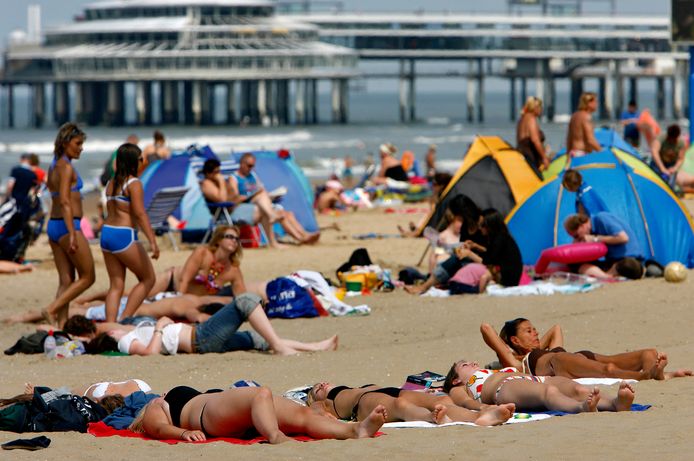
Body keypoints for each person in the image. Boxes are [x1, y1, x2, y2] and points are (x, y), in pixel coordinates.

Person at [82, 293, 338, 357]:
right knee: (245, 301)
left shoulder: (126, 333)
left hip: (200, 339)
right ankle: (283, 349)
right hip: (200, 338)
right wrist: (159, 326)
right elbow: (149, 353)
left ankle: (314, 347)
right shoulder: (124, 341)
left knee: (255, 340)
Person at [129, 385, 386, 443]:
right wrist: (183, 432)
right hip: (207, 416)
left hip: (222, 411)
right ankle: (275, 436)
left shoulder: (165, 400)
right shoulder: (156, 405)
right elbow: (157, 429)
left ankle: (356, 430)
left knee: (303, 416)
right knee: (259, 394)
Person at [480, 318, 692, 381]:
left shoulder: (541, 349)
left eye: (535, 329)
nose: (535, 333)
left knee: (648, 354)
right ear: (515, 340)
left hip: (577, 356)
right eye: (529, 331)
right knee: (608, 369)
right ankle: (648, 376)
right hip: (559, 364)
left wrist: (535, 344)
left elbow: (556, 329)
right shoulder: (517, 362)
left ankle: (660, 373)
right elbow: (485, 328)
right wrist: (511, 346)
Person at [43, 123, 95, 328]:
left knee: (66, 280)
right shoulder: (66, 167)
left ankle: (62, 328)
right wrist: (73, 233)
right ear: (65, 143)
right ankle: (51, 309)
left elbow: (54, 196)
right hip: (67, 227)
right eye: (78, 143)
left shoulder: (53, 165)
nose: (81, 148)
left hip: (54, 226)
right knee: (88, 276)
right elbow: (64, 201)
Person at [101, 143, 160, 322]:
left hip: (106, 234)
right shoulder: (134, 183)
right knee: (148, 279)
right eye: (142, 158)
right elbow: (140, 214)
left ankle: (110, 326)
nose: (145, 161)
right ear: (134, 161)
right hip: (124, 235)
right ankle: (125, 319)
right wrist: (152, 241)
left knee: (116, 285)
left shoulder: (111, 184)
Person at [443, 359, 636, 414]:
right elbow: (466, 402)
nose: (472, 363)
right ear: (455, 379)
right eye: (464, 365)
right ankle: (581, 408)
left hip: (533, 379)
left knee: (579, 389)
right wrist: (484, 408)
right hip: (505, 388)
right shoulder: (459, 388)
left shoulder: (490, 371)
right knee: (548, 392)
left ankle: (615, 404)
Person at [307, 382, 514, 426]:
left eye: (323, 382)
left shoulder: (356, 385)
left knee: (440, 400)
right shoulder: (329, 401)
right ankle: (429, 417)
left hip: (388, 390)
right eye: (318, 388)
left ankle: (481, 414)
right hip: (362, 404)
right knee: (399, 405)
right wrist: (320, 410)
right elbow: (316, 409)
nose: (322, 385)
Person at [564, 212, 644, 279]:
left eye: (577, 235)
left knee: (627, 266)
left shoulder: (602, 218)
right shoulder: (591, 231)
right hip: (613, 262)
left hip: (629, 261)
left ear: (582, 225)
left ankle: (607, 276)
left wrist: (595, 239)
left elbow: (623, 238)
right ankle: (607, 275)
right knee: (575, 264)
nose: (579, 238)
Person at [650, 124, 694, 190]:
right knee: (655, 183)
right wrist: (662, 168)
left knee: (670, 186)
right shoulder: (661, 138)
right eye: (670, 139)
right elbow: (654, 152)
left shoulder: (681, 143)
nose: (672, 141)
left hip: (671, 165)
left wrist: (674, 168)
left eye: (674, 139)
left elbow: (681, 158)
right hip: (658, 164)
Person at [516, 96, 550, 172]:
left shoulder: (522, 119)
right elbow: (535, 140)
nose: (541, 110)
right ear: (535, 108)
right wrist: (544, 158)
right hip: (530, 156)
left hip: (521, 155)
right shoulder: (531, 119)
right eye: (540, 107)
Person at [4, 153, 38, 221]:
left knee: (8, 219)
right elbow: (33, 190)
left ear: (21, 159)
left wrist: (7, 196)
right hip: (25, 200)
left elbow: (10, 185)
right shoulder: (32, 174)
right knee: (21, 220)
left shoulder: (16, 170)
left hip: (14, 199)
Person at [566, 92, 601, 157]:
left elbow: (569, 138)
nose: (597, 104)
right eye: (595, 102)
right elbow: (590, 140)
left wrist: (568, 154)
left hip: (573, 153)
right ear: (589, 103)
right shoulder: (586, 116)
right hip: (582, 154)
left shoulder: (574, 116)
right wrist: (602, 151)